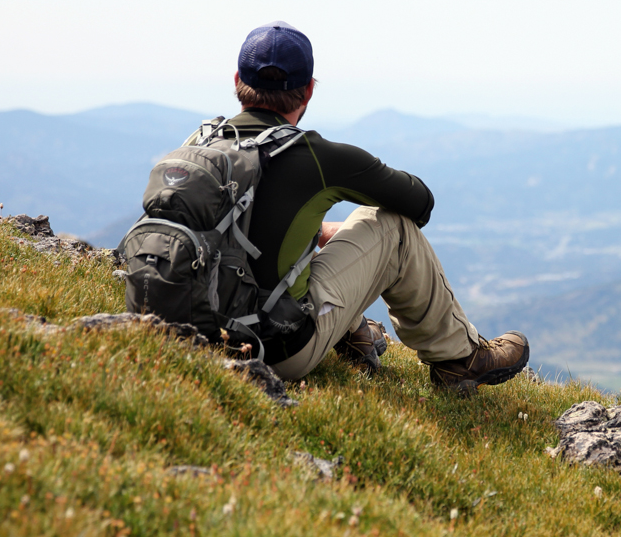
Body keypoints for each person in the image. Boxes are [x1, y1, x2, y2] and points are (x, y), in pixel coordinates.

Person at [186, 21, 529, 394]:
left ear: (237, 78)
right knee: (390, 227)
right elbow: (419, 203)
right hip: (277, 352)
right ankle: (461, 359)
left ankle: (355, 336)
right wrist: (338, 212)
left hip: (188, 333)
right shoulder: (316, 158)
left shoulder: (200, 143)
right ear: (309, 91)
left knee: (298, 246)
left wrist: (314, 227)